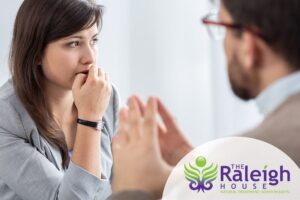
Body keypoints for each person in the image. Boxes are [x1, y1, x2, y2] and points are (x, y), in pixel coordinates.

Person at [109, 0, 300, 199]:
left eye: (222, 26)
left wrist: (133, 189)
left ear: (249, 46)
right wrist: (196, 170)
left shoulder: (265, 152)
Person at [0, 0, 119, 199]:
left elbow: (126, 184)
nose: (90, 57)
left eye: (94, 41)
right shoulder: (6, 118)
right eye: (74, 43)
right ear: (35, 52)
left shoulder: (105, 95)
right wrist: (90, 119)